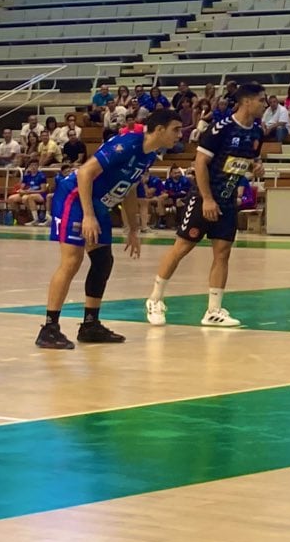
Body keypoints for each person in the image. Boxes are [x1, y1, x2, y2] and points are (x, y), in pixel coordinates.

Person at [37, 108, 185, 350]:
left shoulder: (149, 153)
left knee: (103, 260)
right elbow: (85, 172)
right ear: (159, 130)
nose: (180, 135)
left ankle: (90, 324)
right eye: (175, 130)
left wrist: (133, 229)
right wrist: (87, 216)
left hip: (98, 203)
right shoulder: (127, 145)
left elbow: (129, 188)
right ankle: (49, 328)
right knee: (72, 261)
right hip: (75, 198)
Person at [144, 80, 265, 329]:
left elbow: (247, 159)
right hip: (203, 199)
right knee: (181, 248)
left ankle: (213, 310)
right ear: (247, 101)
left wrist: (255, 166)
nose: (265, 104)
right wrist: (207, 198)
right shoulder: (220, 128)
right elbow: (200, 163)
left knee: (223, 254)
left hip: (228, 202)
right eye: (261, 100)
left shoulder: (257, 131)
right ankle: (155, 299)